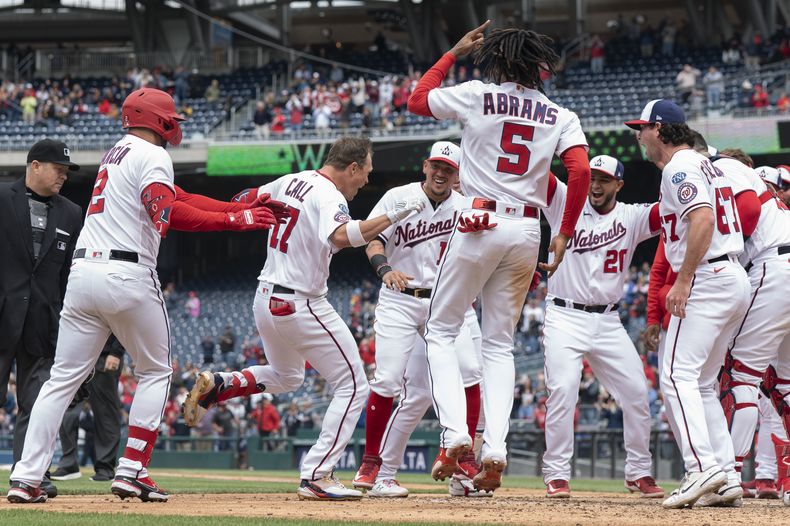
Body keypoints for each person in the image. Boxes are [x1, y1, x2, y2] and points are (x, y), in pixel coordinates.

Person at [6, 87, 285, 505]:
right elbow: (168, 213)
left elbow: (182, 198)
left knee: (61, 380)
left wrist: (230, 210)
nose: (176, 126)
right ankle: (132, 469)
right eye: (172, 118)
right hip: (126, 272)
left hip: (83, 275)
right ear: (160, 119)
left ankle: (25, 478)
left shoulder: (116, 152)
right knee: (156, 371)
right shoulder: (154, 154)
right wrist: (237, 221)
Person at [182, 136, 426, 501]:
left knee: (288, 376)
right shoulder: (329, 195)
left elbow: (243, 199)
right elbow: (343, 236)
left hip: (265, 296)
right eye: (366, 172)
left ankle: (221, 384)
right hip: (301, 300)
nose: (366, 181)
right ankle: (318, 473)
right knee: (355, 385)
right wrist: (394, 214)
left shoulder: (288, 180)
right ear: (353, 167)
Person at [407, 21, 590, 491]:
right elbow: (581, 172)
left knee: (442, 329)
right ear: (538, 68)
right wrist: (564, 231)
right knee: (498, 344)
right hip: (528, 227)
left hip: (478, 221)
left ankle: (454, 434)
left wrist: (451, 53)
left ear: (499, 62)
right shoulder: (559, 114)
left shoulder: (476, 93)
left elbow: (417, 99)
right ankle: (496, 447)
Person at [625, 99, 750, 508]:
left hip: (708, 277)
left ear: (659, 130)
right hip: (730, 275)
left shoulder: (680, 166)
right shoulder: (704, 163)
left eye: (642, 128)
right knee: (700, 383)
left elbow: (702, 219)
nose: (638, 135)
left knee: (676, 376)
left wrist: (683, 279)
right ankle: (728, 475)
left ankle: (701, 468)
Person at [349, 142, 483, 497]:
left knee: (467, 372)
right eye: (436, 166)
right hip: (400, 299)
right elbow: (372, 241)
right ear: (425, 166)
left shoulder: (465, 207)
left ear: (457, 175)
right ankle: (372, 463)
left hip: (444, 303)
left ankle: (465, 457)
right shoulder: (399, 197)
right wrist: (385, 269)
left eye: (449, 169)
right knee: (389, 380)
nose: (441, 174)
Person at [540, 155, 664, 499]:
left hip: (609, 320)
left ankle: (639, 472)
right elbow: (540, 172)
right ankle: (557, 474)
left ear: (618, 185)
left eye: (604, 179)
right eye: (592, 177)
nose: (595, 185)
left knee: (638, 393)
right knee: (563, 390)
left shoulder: (632, 216)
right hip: (565, 315)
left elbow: (669, 206)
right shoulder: (565, 202)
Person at [0, 139, 83, 499]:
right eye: (58, 169)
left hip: (42, 322)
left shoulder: (71, 213)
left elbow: (69, 274)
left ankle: (30, 475)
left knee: (36, 404)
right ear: (34, 165)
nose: (63, 176)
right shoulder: (2, 198)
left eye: (66, 171)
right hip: (2, 316)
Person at [51, 334, 125, 482]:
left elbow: (123, 319)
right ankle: (69, 464)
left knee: (105, 413)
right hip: (76, 356)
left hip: (104, 355)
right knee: (67, 407)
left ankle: (105, 468)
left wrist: (116, 352)